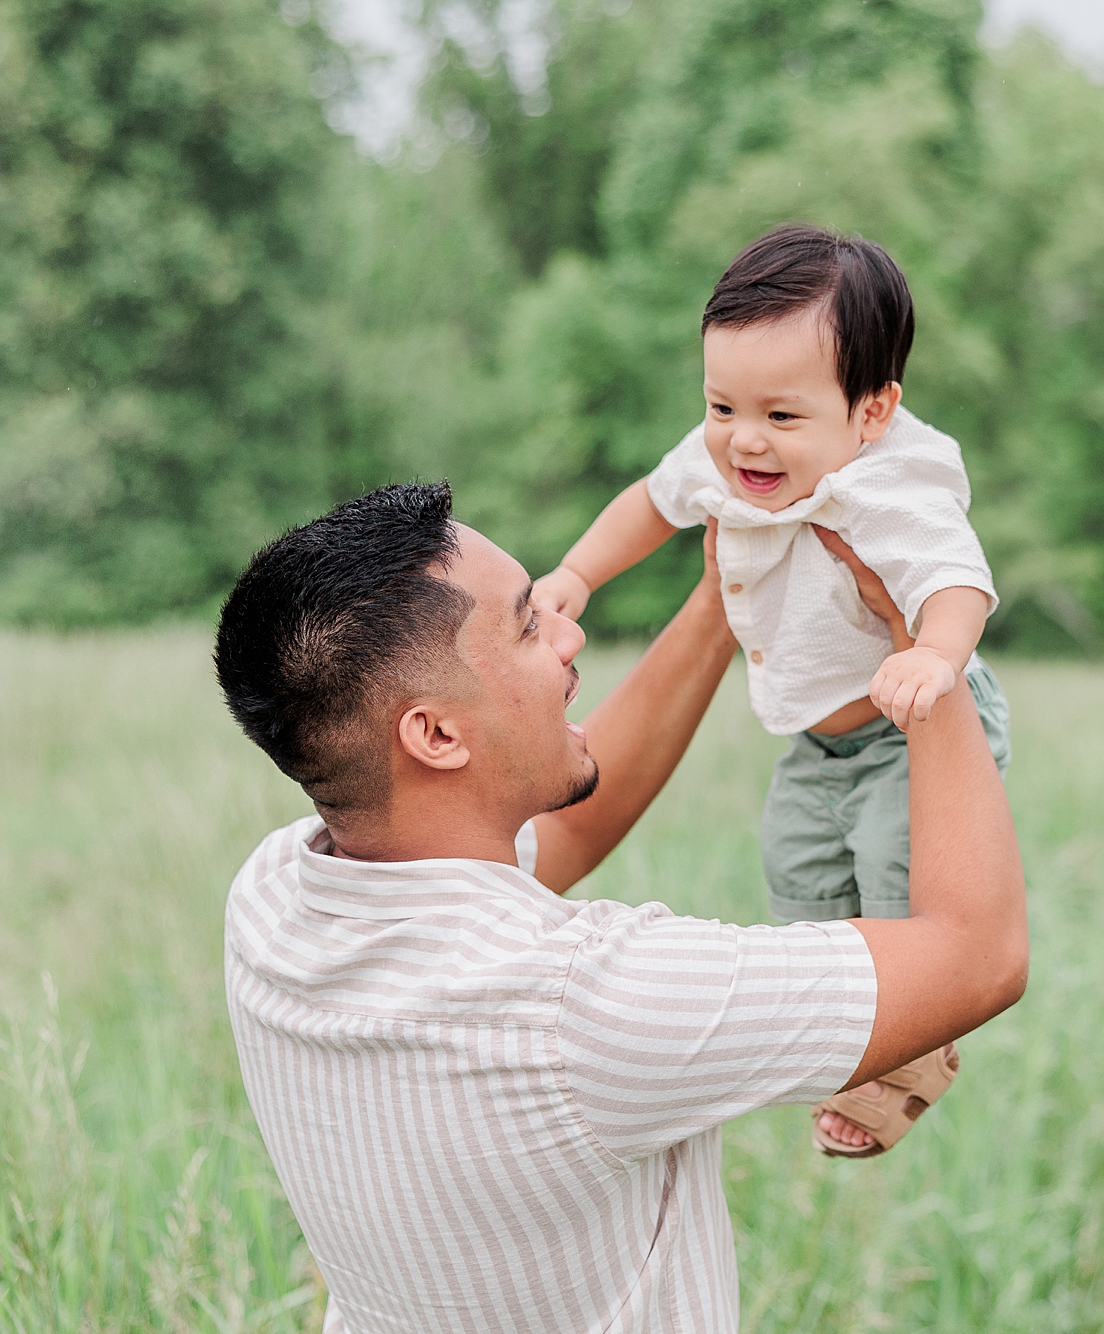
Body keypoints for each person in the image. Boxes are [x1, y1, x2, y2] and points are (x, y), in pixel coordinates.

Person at [212, 481, 1026, 1333]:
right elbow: (977, 954)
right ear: (438, 736)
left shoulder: (271, 896)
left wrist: (723, 595)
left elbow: (568, 827)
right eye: (529, 625)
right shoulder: (581, 1001)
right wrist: (921, 641)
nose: (570, 634)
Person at [531, 226, 1008, 1156]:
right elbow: (649, 503)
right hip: (817, 743)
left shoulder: (895, 480)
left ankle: (912, 1058)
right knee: (797, 882)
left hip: (900, 729)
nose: (743, 439)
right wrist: (579, 576)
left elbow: (958, 577)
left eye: (782, 418)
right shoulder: (725, 454)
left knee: (900, 892)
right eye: (720, 405)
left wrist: (934, 657)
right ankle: (854, 1042)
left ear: (871, 413)